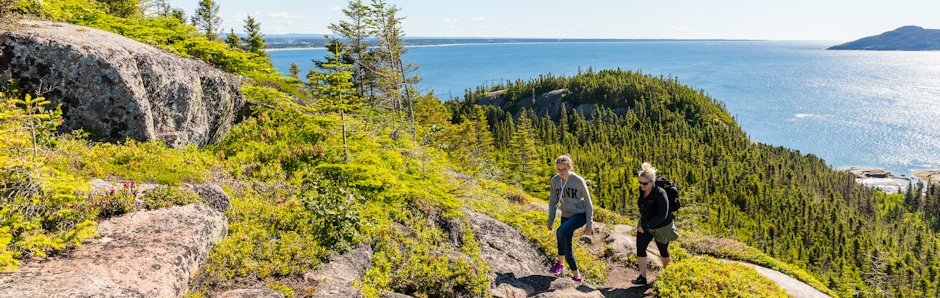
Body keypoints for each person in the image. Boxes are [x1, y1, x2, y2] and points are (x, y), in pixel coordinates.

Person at [547, 154, 594, 282]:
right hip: (566, 215)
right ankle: (577, 276)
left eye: (564, 169)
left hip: (579, 215)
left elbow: (589, 204)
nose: (561, 172)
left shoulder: (578, 181)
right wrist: (550, 220)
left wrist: (589, 224)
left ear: (570, 167)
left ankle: (560, 264)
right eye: (559, 169)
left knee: (560, 231)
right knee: (567, 247)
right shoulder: (555, 181)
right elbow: (552, 202)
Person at [632, 162, 679, 285]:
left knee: (663, 250)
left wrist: (646, 226)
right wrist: (643, 224)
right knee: (640, 248)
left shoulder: (661, 193)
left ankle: (667, 273)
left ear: (652, 182)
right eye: (640, 182)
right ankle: (642, 277)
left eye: (644, 183)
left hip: (661, 226)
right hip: (645, 224)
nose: (641, 185)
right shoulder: (642, 190)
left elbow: (663, 215)